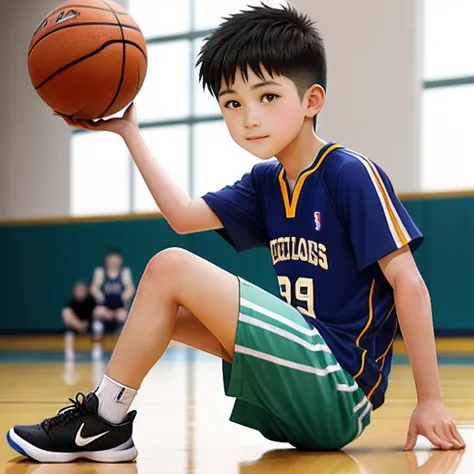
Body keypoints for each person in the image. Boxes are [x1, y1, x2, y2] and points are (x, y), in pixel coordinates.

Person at [6, 4, 465, 463]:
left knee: (170, 267)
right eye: (232, 103)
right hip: (299, 390)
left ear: (312, 101)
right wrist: (129, 134)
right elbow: (184, 217)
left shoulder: (349, 174)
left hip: (340, 386)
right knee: (166, 307)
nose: (249, 118)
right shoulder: (266, 182)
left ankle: (102, 420)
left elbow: (410, 283)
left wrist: (430, 400)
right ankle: (109, 423)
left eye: (267, 97)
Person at [89, 248, 135, 360]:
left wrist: (122, 299)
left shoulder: (124, 272)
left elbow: (130, 288)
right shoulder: (100, 272)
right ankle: (97, 346)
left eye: (116, 259)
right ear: (107, 260)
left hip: (119, 306)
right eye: (111, 259)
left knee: (123, 316)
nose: (113, 261)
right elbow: (94, 288)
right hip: (105, 305)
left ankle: (122, 348)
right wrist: (102, 300)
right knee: (97, 313)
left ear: (120, 260)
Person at [62, 281, 96, 361]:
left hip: (88, 325)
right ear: (74, 292)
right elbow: (66, 316)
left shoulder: (91, 301)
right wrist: (79, 325)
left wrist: (86, 324)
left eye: (82, 291)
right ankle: (69, 352)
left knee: (98, 326)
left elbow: (94, 314)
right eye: (78, 291)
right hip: (76, 326)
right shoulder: (71, 302)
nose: (80, 293)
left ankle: (96, 350)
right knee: (68, 328)